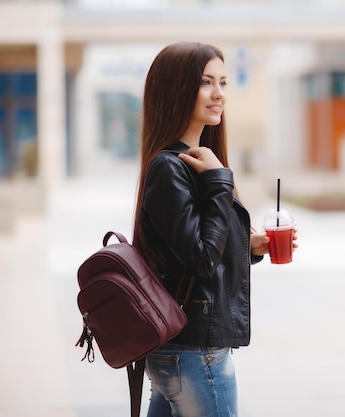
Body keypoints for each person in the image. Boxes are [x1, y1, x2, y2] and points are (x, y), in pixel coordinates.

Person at [132, 41, 296, 417]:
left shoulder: (189, 162)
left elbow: (192, 253)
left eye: (223, 82)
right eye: (207, 83)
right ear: (176, 89)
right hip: (195, 354)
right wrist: (220, 180)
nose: (219, 94)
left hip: (183, 350)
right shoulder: (171, 167)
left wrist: (250, 247)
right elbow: (203, 260)